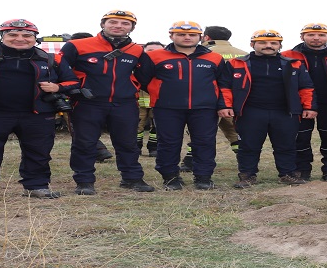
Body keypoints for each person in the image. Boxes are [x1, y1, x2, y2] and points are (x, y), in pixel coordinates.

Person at [0, 19, 81, 202]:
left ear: (35, 38)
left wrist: (57, 88)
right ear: (2, 36)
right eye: (12, 35)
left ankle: (37, 186)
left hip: (38, 115)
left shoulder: (50, 58)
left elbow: (72, 82)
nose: (20, 39)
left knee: (39, 152)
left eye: (27, 35)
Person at [57, 10, 155, 195]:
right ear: (103, 24)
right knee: (84, 143)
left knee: (128, 143)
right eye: (113, 22)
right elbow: (60, 69)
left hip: (124, 103)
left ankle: (132, 178)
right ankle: (84, 181)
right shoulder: (76, 45)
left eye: (125, 23)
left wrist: (133, 86)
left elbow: (146, 75)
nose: (118, 26)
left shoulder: (136, 50)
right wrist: (73, 89)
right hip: (87, 103)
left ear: (132, 28)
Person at [135, 21, 233, 191]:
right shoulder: (154, 56)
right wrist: (160, 92)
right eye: (181, 34)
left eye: (192, 35)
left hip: (204, 108)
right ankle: (170, 177)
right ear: (171, 36)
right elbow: (142, 79)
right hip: (167, 108)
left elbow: (223, 83)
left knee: (204, 143)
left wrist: (224, 104)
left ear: (200, 37)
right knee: (168, 143)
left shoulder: (214, 58)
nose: (187, 37)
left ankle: (203, 177)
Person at [221, 30, 317, 188]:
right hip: (250, 111)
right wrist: (225, 105)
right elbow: (225, 87)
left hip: (285, 112)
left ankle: (287, 174)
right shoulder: (237, 63)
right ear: (253, 44)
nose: (268, 46)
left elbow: (306, 87)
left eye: (273, 43)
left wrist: (309, 107)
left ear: (280, 45)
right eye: (262, 43)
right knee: (248, 146)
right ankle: (247, 176)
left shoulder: (293, 63)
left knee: (286, 145)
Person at [282, 23, 327, 181]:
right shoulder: (288, 55)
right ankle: (302, 170)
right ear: (302, 37)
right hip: (299, 104)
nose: (316, 38)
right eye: (311, 34)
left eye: (321, 35)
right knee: (300, 139)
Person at [202, 25, 245, 154]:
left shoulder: (202, 52)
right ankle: (243, 157)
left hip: (209, 96)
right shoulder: (243, 53)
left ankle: (190, 160)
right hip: (236, 98)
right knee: (233, 130)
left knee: (202, 131)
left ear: (207, 37)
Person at [136, 41, 165, 156]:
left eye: (158, 50)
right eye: (150, 50)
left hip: (159, 102)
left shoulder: (166, 65)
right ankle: (135, 147)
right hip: (138, 102)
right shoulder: (136, 64)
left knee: (157, 127)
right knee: (136, 126)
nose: (154, 53)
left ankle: (154, 148)